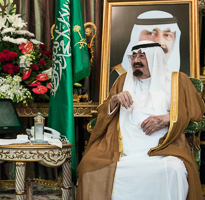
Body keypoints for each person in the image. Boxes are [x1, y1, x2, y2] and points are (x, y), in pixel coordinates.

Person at [77, 41, 204, 200]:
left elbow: (196, 111)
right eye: (134, 56)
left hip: (163, 149)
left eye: (142, 56)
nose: (136, 60)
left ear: (154, 58)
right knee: (90, 166)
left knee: (175, 168)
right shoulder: (123, 80)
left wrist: (167, 118)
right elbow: (103, 111)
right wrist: (114, 100)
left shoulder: (177, 80)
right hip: (121, 149)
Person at [113, 10, 181, 75]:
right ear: (136, 38)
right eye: (151, 34)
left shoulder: (180, 81)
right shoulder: (116, 78)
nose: (160, 42)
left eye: (167, 35)